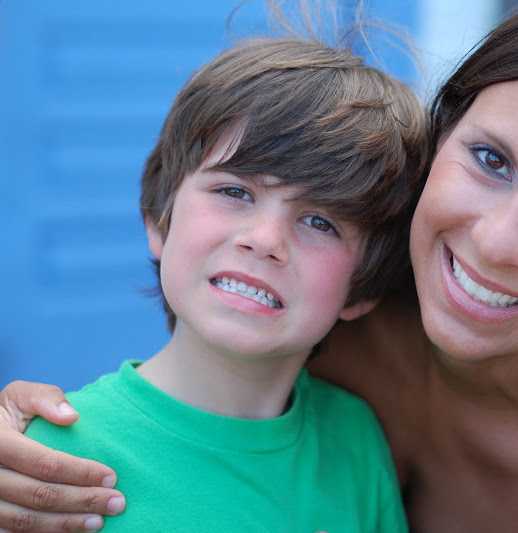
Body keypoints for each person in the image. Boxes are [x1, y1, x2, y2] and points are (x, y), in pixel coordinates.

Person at [0, 0, 518, 532]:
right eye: (490, 159)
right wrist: (21, 431)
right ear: (442, 139)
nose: (498, 241)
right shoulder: (325, 303)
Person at [1, 37, 428, 532]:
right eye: (234, 191)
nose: (264, 240)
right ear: (159, 219)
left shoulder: (356, 441)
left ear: (363, 288)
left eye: (320, 222)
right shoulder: (48, 461)